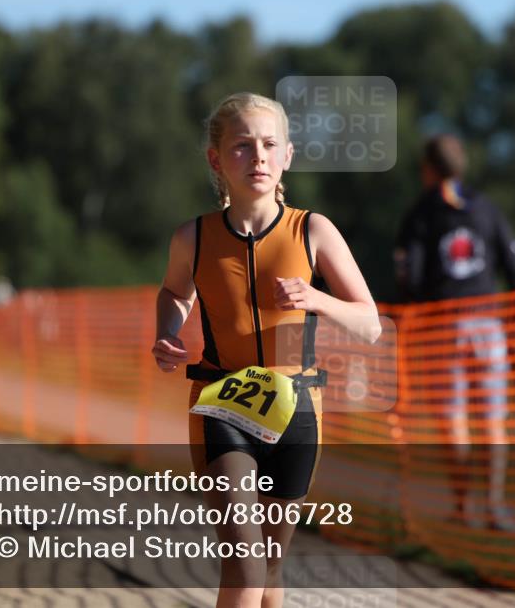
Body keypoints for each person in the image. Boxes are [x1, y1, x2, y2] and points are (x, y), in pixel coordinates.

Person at [152, 92, 381, 608]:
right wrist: (168, 330)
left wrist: (317, 297)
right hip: (221, 403)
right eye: (241, 146)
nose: (257, 156)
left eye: (269, 144)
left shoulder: (313, 230)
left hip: (297, 409)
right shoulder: (193, 237)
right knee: (246, 564)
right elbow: (174, 293)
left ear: (287, 156)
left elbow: (370, 325)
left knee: (271, 566)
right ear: (216, 159)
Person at [394, 133, 515, 531]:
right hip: (487, 323)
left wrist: (410, 306)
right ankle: (495, 507)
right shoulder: (485, 207)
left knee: (453, 419)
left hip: (442, 326)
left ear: (428, 169)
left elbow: (410, 272)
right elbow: (513, 261)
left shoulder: (421, 212)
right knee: (492, 421)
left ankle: (461, 507)